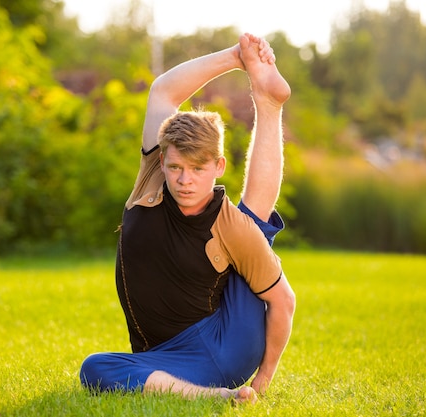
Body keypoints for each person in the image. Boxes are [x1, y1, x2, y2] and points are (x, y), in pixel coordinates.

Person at [80, 33, 295, 403]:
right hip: (165, 356)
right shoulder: (151, 179)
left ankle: (269, 104)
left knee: (252, 226)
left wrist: (264, 378)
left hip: (224, 342)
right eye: (176, 167)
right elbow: (163, 93)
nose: (184, 180)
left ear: (218, 167)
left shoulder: (229, 224)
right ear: (161, 160)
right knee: (93, 368)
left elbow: (283, 300)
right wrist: (234, 56)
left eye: (197, 169)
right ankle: (211, 394)